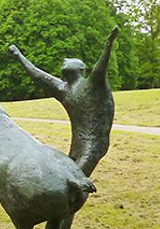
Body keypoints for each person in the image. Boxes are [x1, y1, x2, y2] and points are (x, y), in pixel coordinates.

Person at [9, 26, 118, 177]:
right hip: (78, 142)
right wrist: (18, 55)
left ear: (81, 68)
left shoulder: (92, 85)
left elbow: (99, 70)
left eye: (69, 60)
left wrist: (109, 44)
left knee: (75, 179)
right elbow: (38, 75)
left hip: (93, 145)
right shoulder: (63, 89)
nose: (64, 60)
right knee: (66, 174)